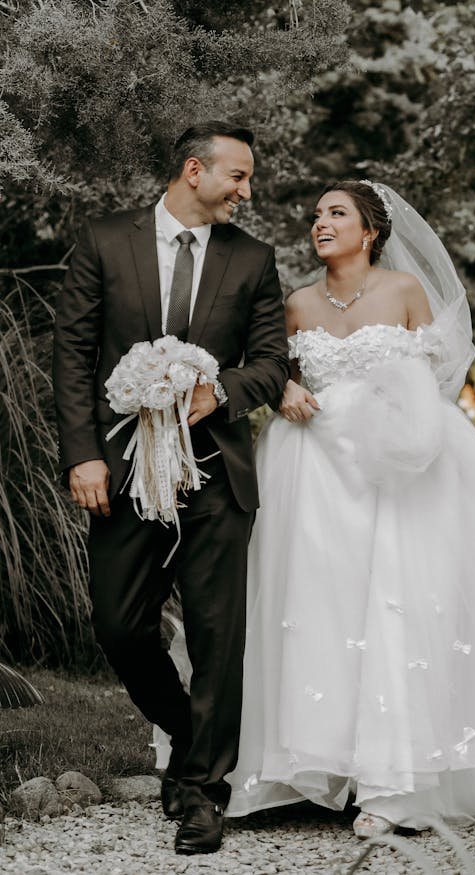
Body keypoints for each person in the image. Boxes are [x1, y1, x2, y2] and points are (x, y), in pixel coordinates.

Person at [157, 180, 475, 839]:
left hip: (400, 469)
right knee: (316, 606)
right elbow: (264, 365)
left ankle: (396, 783)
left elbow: (440, 369)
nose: (320, 222)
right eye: (318, 213)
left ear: (370, 229)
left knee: (397, 607)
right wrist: (288, 386)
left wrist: (403, 417)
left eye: (337, 213)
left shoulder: (406, 292)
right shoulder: (294, 301)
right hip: (313, 465)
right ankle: (298, 767)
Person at [52, 122, 289, 855]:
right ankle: (192, 730)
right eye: (238, 177)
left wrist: (222, 390)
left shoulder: (252, 259)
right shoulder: (104, 240)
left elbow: (275, 360)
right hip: (122, 472)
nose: (247, 192)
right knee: (119, 623)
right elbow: (73, 353)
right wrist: (83, 455)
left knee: (219, 634)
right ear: (195, 170)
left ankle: (200, 789)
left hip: (216, 470)